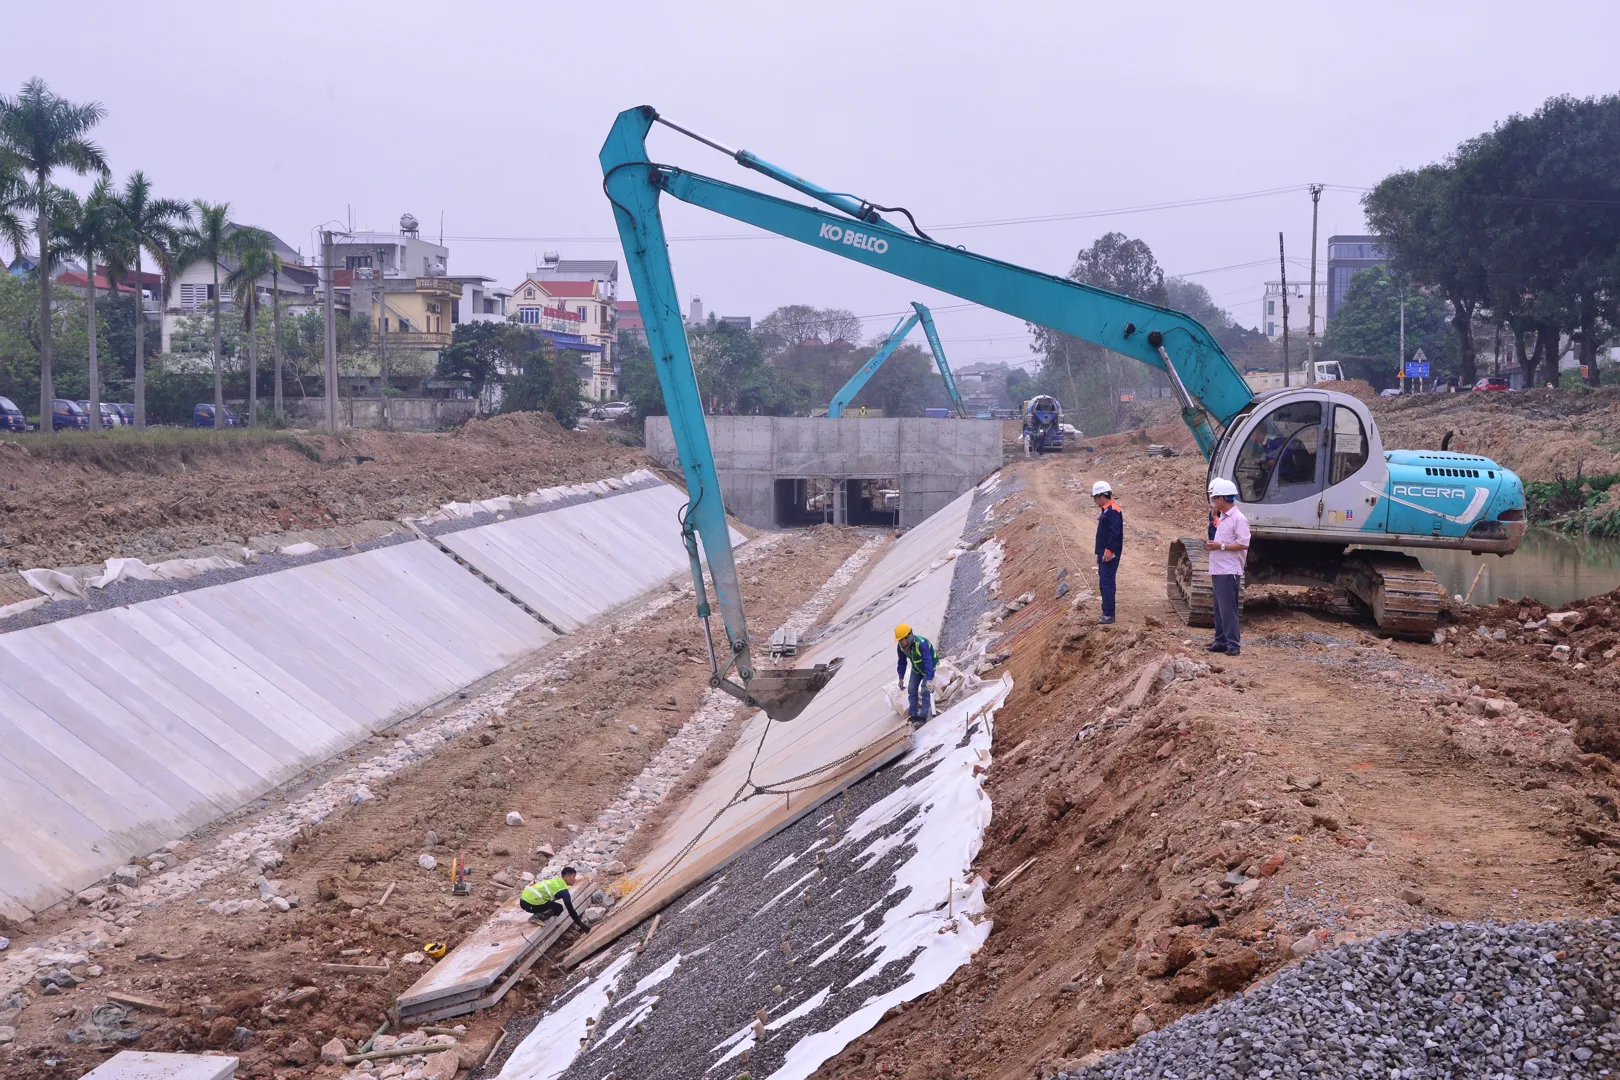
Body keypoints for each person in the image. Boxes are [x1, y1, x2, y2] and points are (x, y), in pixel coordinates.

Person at [1203, 478, 1250, 656]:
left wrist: (1220, 546)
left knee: (1228, 608)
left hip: (1229, 570)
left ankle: (1233, 644)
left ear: (1221, 499)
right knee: (1219, 607)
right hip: (1219, 567)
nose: (1213, 502)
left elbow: (1243, 544)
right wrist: (1213, 544)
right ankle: (1221, 640)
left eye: (1214, 498)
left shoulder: (1239, 519)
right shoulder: (1222, 518)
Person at [519, 867, 589, 931]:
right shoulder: (563, 891)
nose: (575, 879)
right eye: (574, 876)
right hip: (530, 903)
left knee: (549, 904)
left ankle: (538, 911)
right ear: (567, 876)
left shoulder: (556, 881)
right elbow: (571, 910)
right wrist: (581, 925)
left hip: (523, 900)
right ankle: (537, 917)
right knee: (558, 908)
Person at [1091, 481, 1122, 625]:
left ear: (1101, 496)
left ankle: (1109, 615)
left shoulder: (1113, 510)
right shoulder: (1107, 509)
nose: (1095, 501)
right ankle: (1106, 612)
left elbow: (1115, 532)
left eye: (1095, 498)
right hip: (1104, 553)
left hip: (1110, 553)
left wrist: (1109, 550)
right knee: (1103, 582)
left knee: (1107, 582)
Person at [894, 623, 936, 724]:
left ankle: (923, 716)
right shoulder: (901, 647)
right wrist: (901, 678)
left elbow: (928, 661)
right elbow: (902, 662)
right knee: (912, 690)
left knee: (925, 690)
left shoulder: (921, 644)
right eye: (899, 640)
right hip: (916, 668)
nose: (900, 642)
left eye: (902, 639)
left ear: (909, 637)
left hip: (928, 667)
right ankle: (913, 715)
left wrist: (929, 679)